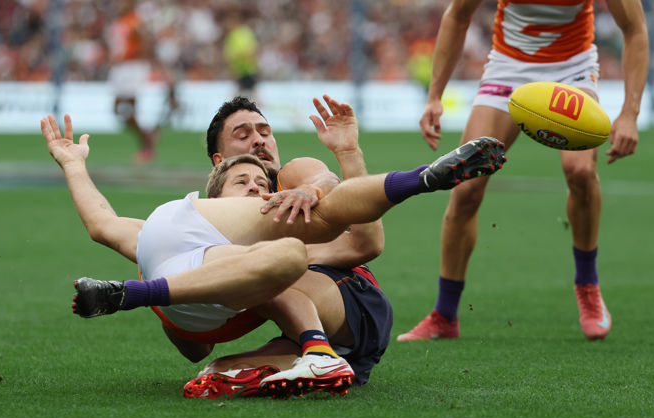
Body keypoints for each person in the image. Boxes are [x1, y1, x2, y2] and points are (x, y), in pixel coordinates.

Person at [41, 104, 506, 397]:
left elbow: (362, 237)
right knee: (212, 372)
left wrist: (326, 176)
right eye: (243, 134)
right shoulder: (199, 221)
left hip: (347, 297)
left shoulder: (288, 178)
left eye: (264, 130)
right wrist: (73, 164)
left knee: (282, 258)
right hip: (315, 327)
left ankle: (421, 178)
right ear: (219, 162)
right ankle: (320, 360)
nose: (259, 139)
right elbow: (195, 346)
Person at [398, 0, 648, 342]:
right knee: (466, 187)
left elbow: (634, 29)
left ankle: (588, 286)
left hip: (572, 68)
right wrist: (434, 95)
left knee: (579, 171)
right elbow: (457, 15)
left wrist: (630, 114)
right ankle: (444, 315)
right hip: (509, 67)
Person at [106, 0, 158, 164]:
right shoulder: (120, 22)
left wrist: (139, 56)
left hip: (131, 67)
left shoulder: (134, 21)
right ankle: (147, 134)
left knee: (129, 107)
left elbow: (145, 40)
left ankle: (147, 146)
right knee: (117, 109)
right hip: (120, 68)